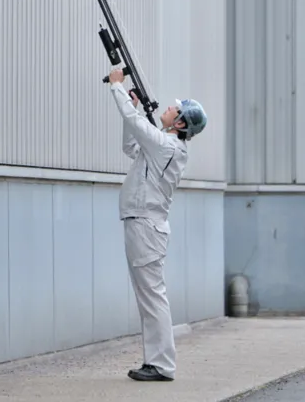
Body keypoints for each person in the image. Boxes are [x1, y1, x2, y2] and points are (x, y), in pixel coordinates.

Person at [109, 68, 207, 382]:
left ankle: (161, 364)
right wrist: (134, 106)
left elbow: (137, 124)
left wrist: (117, 88)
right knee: (149, 296)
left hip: (146, 227)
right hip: (143, 225)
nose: (167, 108)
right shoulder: (164, 145)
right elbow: (131, 146)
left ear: (180, 124)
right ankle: (156, 361)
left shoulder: (168, 147)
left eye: (174, 110)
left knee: (152, 296)